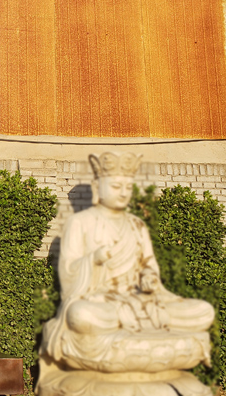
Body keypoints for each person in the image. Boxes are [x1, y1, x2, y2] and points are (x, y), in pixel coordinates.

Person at [39, 152, 215, 375]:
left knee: (203, 311)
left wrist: (150, 277)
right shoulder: (79, 223)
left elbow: (149, 264)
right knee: (80, 315)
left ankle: (133, 337)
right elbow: (68, 272)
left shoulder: (136, 225)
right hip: (103, 303)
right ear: (97, 187)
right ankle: (144, 340)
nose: (123, 193)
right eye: (115, 186)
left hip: (143, 302)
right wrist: (93, 259)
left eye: (128, 187)